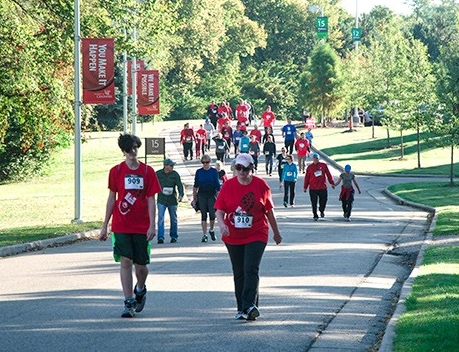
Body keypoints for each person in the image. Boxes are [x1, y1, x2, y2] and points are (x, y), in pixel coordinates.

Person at [99, 133, 162, 318]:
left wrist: (152, 225)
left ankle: (140, 288)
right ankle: (128, 301)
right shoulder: (116, 171)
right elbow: (112, 198)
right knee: (125, 261)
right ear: (123, 151)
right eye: (129, 149)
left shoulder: (147, 172)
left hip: (141, 226)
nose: (133, 151)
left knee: (141, 266)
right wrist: (105, 225)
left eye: (135, 147)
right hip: (121, 225)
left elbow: (151, 199)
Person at [214, 153, 282, 321]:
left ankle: (250, 304)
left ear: (252, 168)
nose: (242, 172)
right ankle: (243, 308)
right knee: (239, 272)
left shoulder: (261, 185)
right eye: (239, 168)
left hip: (257, 232)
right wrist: (222, 225)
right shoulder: (228, 186)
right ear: (235, 168)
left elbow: (269, 211)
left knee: (250, 268)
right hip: (233, 235)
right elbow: (219, 210)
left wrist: (276, 232)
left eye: (245, 168)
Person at [192, 154, 221, 243]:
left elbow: (217, 186)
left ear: (210, 162)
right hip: (202, 194)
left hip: (211, 194)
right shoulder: (199, 172)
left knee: (212, 214)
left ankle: (211, 229)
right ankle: (204, 234)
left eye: (207, 162)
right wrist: (194, 198)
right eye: (203, 162)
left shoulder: (213, 171)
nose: (205, 164)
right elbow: (196, 185)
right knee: (203, 214)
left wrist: (219, 198)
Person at [156, 158, 184, 244]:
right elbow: (152, 184)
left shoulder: (175, 174)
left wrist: (181, 195)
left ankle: (174, 236)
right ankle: (160, 237)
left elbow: (180, 185)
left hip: (172, 200)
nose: (172, 167)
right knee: (160, 218)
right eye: (171, 165)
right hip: (161, 199)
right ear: (165, 166)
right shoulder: (158, 174)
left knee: (173, 219)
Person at [303, 153, 335, 221]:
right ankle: (315, 214)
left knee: (324, 200)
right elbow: (307, 177)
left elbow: (328, 174)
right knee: (314, 202)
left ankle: (321, 210)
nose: (315, 160)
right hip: (313, 188)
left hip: (322, 187)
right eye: (314, 158)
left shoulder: (323, 165)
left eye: (317, 158)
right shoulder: (310, 167)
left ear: (318, 159)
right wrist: (305, 187)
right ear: (312, 159)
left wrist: (332, 183)